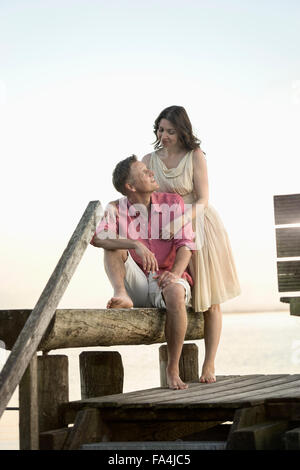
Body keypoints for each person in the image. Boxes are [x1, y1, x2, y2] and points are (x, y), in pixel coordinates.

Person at [142, 105, 241, 384]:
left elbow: (202, 199)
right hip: (165, 231)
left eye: (171, 131)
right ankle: (174, 364)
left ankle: (209, 365)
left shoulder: (195, 156)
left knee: (210, 301)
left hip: (198, 224)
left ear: (182, 131)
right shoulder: (149, 159)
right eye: (161, 130)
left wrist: (181, 220)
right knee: (176, 288)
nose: (165, 136)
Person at [90, 155, 196, 390]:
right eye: (144, 172)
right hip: (137, 281)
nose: (151, 173)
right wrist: (135, 244)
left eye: (149, 170)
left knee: (176, 294)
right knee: (113, 244)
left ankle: (172, 368)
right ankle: (121, 295)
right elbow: (98, 237)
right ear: (130, 186)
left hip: (167, 277)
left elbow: (185, 244)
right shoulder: (116, 208)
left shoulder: (173, 202)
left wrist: (176, 273)